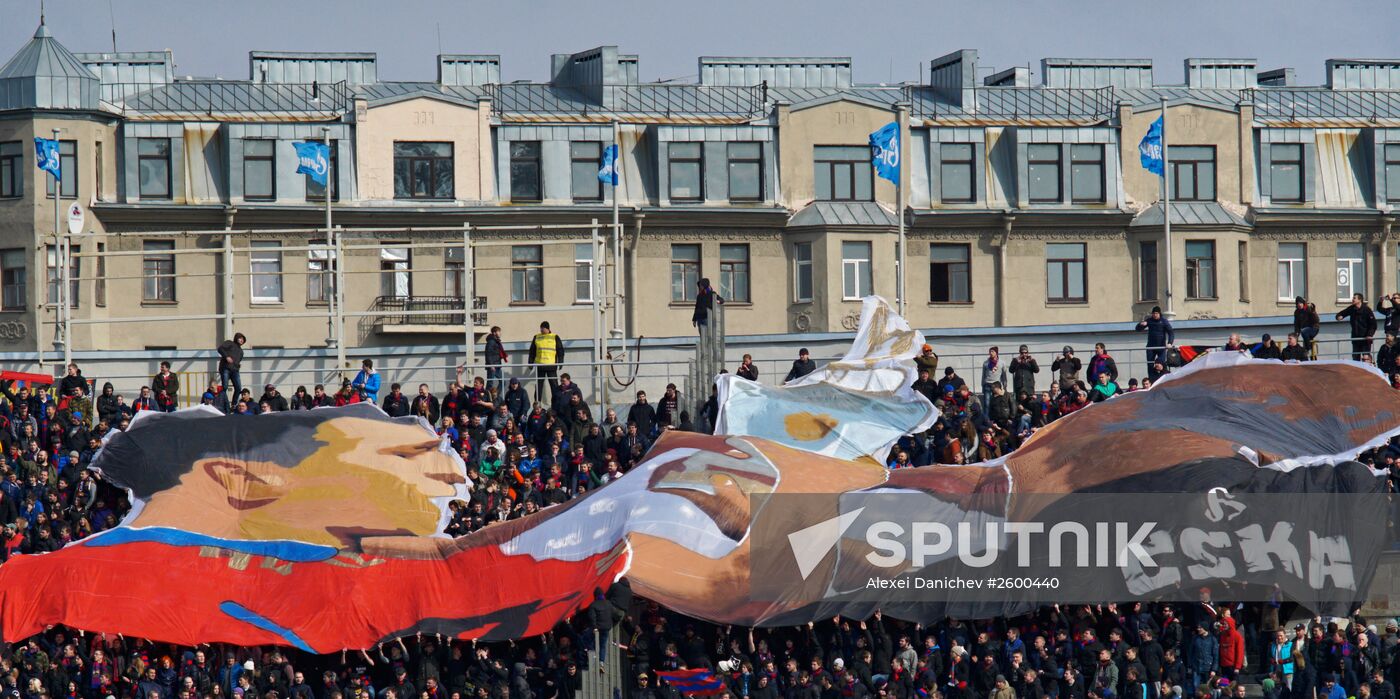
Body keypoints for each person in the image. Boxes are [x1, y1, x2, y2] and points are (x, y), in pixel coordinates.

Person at [529, 322, 563, 405]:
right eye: (541, 328)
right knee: (539, 387)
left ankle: (556, 404)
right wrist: (530, 363)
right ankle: (537, 404)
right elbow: (532, 351)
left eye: (543, 328)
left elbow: (560, 350)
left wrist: (561, 362)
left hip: (551, 366)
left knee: (554, 386)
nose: (541, 330)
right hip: (540, 365)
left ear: (547, 328)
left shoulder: (554, 337)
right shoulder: (536, 337)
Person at [1337, 293, 1378, 361]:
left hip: (1365, 338)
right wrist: (1339, 316)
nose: (1352, 300)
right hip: (1355, 338)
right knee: (1355, 358)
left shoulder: (1367, 310)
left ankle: (1369, 369)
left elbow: (1373, 324)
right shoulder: (1352, 308)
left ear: (1360, 300)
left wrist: (1370, 334)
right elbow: (1342, 313)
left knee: (1366, 358)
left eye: (1354, 298)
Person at [217, 333, 247, 399]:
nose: (242, 340)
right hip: (225, 368)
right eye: (240, 338)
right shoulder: (229, 343)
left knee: (238, 388)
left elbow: (238, 360)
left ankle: (234, 404)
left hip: (235, 370)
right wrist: (226, 356)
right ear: (236, 338)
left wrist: (238, 365)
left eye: (243, 339)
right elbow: (220, 348)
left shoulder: (241, 351)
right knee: (225, 386)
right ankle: (222, 401)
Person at [484, 326, 508, 397]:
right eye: (499, 331)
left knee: (503, 381)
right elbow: (488, 353)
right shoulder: (491, 342)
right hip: (493, 366)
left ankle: (495, 395)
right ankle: (486, 397)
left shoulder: (496, 341)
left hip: (497, 365)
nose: (500, 333)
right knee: (490, 383)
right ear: (494, 333)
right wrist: (491, 365)